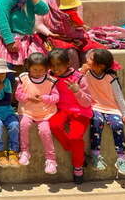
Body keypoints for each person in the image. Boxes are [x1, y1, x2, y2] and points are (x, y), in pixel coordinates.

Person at [35, 0, 105, 68]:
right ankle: (74, 80)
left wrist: (78, 25)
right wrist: (51, 34)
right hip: (52, 36)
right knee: (71, 53)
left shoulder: (74, 0)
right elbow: (38, 25)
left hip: (74, 36)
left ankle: (89, 81)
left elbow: (78, 21)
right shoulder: (42, 0)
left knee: (91, 54)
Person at [82, 49, 125, 175]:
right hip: (94, 107)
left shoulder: (111, 77)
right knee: (96, 121)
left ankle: (121, 158)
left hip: (111, 108)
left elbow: (119, 97)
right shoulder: (85, 73)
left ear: (101, 65)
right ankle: (95, 155)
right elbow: (75, 82)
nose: (87, 60)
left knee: (117, 125)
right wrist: (81, 72)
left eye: (91, 59)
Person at [47, 49, 92, 184]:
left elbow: (87, 102)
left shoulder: (79, 77)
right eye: (52, 65)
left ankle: (78, 167)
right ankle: (73, 149)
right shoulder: (50, 76)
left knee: (75, 137)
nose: (56, 69)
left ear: (67, 63)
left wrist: (77, 91)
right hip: (61, 110)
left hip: (80, 111)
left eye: (59, 65)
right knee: (54, 125)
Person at [15, 53, 59, 174]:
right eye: (35, 69)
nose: (38, 72)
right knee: (24, 125)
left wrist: (45, 98)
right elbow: (18, 96)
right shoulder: (23, 78)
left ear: (46, 69)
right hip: (27, 111)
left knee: (45, 131)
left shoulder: (50, 80)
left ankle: (51, 159)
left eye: (41, 70)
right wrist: (29, 97)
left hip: (45, 113)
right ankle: (24, 151)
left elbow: (56, 97)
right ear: (28, 67)